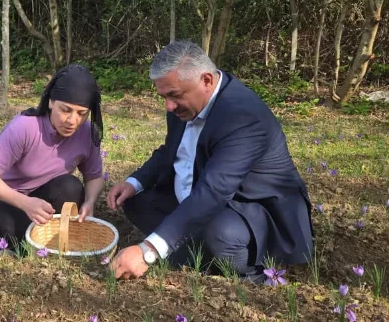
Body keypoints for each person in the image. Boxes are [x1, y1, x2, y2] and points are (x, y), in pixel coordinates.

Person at [107, 41, 313, 281]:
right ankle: (189, 250)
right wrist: (135, 182)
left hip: (248, 209)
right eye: (163, 96)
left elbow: (214, 191)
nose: (168, 106)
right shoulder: (183, 105)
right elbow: (170, 150)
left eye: (173, 96)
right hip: (198, 195)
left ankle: (252, 273)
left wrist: (148, 251)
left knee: (219, 233)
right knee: (134, 201)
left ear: (206, 80)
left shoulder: (243, 116)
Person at [0, 64, 105, 250]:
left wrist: (90, 201)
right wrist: (26, 203)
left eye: (82, 114)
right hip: (1, 195)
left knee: (71, 187)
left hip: (40, 197)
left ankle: (40, 235)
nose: (72, 121)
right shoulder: (25, 128)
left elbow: (94, 177)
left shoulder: (86, 133)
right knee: (9, 230)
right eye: (65, 110)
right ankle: (13, 237)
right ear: (51, 102)